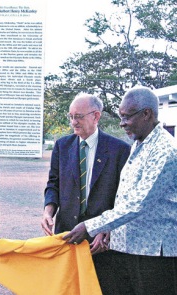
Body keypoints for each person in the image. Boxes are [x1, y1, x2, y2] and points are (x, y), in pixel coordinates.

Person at [64, 86, 177, 295]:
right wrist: (109, 228)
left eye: (127, 117)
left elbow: (139, 203)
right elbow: (125, 196)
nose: (122, 123)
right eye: (120, 116)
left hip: (153, 255)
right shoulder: (139, 143)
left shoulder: (165, 151)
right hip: (128, 249)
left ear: (147, 114)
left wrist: (91, 226)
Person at [42, 93, 130, 294]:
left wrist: (107, 229)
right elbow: (53, 184)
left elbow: (123, 198)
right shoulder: (62, 146)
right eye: (71, 116)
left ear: (96, 116)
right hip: (67, 234)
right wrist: (48, 211)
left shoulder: (119, 150)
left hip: (100, 243)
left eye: (79, 116)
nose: (74, 122)